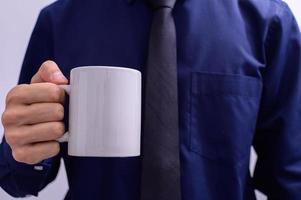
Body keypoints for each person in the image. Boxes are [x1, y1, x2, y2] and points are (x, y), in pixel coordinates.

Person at [1, 0, 301, 199]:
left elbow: (291, 178)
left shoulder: (269, 21)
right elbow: (17, 180)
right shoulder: (58, 21)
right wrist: (25, 147)